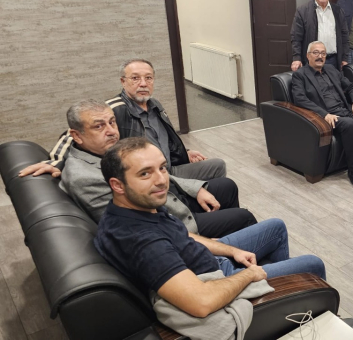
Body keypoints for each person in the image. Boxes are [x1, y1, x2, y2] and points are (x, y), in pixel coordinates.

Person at [93, 137, 329, 336]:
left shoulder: (136, 207)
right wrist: (250, 275)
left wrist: (231, 250)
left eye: (162, 168)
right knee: (313, 265)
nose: (161, 180)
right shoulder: (142, 241)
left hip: (205, 261)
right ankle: (284, 301)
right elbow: (201, 302)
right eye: (145, 173)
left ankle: (283, 306)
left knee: (275, 228)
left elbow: (182, 235)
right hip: (214, 280)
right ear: (118, 185)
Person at [55, 100, 255, 238]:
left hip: (170, 198)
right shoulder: (85, 177)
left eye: (112, 122)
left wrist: (196, 189)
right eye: (99, 126)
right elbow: (138, 222)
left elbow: (155, 171)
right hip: (171, 217)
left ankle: (233, 244)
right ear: (77, 135)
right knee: (243, 217)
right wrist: (201, 242)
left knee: (227, 186)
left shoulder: (107, 150)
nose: (111, 131)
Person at [23, 59, 226, 182]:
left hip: (167, 166)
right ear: (123, 81)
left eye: (148, 78)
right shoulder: (114, 108)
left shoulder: (155, 104)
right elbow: (74, 133)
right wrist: (56, 162)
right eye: (135, 78)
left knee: (217, 165)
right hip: (145, 174)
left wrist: (185, 152)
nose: (143, 83)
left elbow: (164, 138)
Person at [291, 41, 353, 188]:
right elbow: (300, 99)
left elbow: (351, 86)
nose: (320, 56)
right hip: (328, 117)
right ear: (308, 55)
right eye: (316, 53)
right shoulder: (300, 75)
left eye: (323, 53)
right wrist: (324, 114)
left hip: (347, 111)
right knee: (349, 124)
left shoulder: (331, 69)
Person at [290, 0, 349, 71]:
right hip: (312, 61)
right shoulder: (302, 11)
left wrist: (344, 58)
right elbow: (296, 37)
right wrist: (296, 58)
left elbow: (344, 36)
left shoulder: (338, 11)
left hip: (333, 60)